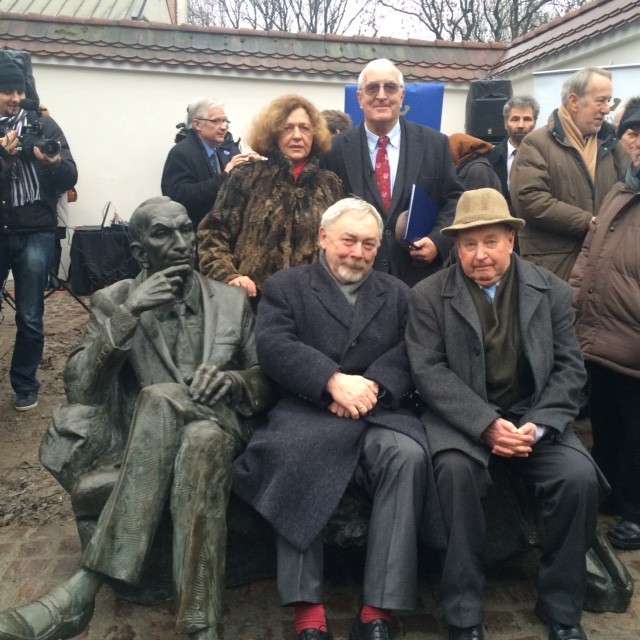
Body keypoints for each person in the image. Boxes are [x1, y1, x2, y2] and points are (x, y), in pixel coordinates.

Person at [0, 197, 272, 640]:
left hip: (229, 425)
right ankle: (203, 627)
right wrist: (129, 315)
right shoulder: (113, 301)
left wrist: (235, 384)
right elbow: (82, 389)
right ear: (140, 251)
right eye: (164, 234)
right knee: (198, 441)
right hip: (169, 442)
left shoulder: (231, 301)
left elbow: (264, 378)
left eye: (186, 230)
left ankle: (84, 587)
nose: (182, 243)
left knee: (165, 399)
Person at [233, 198, 445, 640]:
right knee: (294, 453)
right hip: (308, 409)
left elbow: (413, 351)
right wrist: (330, 380)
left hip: (378, 412)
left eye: (369, 244)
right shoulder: (286, 287)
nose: (358, 253)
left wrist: (370, 389)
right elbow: (273, 345)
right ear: (323, 238)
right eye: (349, 240)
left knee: (407, 456)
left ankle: (378, 610)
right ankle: (307, 611)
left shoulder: (398, 293)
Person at [406, 188, 605, 640]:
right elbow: (428, 371)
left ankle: (560, 607)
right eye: (469, 244)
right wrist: (484, 424)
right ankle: (463, 610)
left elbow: (570, 367)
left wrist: (539, 425)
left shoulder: (549, 290)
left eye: (490, 241)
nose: (480, 255)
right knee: (454, 475)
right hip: (463, 421)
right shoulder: (428, 296)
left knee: (578, 478)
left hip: (534, 417)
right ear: (455, 247)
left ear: (511, 241)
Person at [323, 58, 463, 287]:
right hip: (354, 280)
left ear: (402, 96)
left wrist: (437, 241)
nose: (381, 95)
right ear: (359, 98)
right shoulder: (335, 150)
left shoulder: (434, 144)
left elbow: (454, 199)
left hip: (418, 282)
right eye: (372, 88)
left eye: (389, 87)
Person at [571, 104, 640, 550]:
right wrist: (575, 294)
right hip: (599, 331)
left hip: (633, 335)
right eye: (635, 134)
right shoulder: (621, 188)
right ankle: (612, 493)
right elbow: (592, 248)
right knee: (607, 421)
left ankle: (636, 510)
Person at [198, 94, 343, 301]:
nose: (296, 136)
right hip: (253, 303)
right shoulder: (246, 177)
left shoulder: (329, 185)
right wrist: (229, 276)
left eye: (304, 128)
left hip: (312, 305)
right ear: (273, 133)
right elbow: (212, 233)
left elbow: (340, 244)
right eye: (287, 128)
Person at [0, 57, 77, 411]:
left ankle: (25, 384)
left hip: (37, 230)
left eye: (19, 90)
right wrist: (4, 159)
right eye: (7, 90)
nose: (15, 97)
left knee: (30, 314)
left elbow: (71, 174)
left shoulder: (44, 124)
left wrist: (56, 163)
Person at [510, 68, 628, 281]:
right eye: (600, 101)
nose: (606, 109)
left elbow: (629, 190)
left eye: (609, 101)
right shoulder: (536, 144)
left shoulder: (612, 143)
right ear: (574, 101)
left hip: (604, 267)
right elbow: (530, 200)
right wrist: (589, 222)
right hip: (554, 269)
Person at [161, 97, 259, 232]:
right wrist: (225, 176)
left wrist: (254, 168)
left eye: (225, 121)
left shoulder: (220, 151)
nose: (224, 126)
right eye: (216, 121)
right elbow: (178, 197)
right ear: (197, 124)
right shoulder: (181, 152)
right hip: (194, 237)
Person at [488, 95, 539, 212]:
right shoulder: (490, 158)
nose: (521, 125)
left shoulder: (545, 157)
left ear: (535, 123)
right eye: (515, 119)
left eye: (527, 119)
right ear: (505, 123)